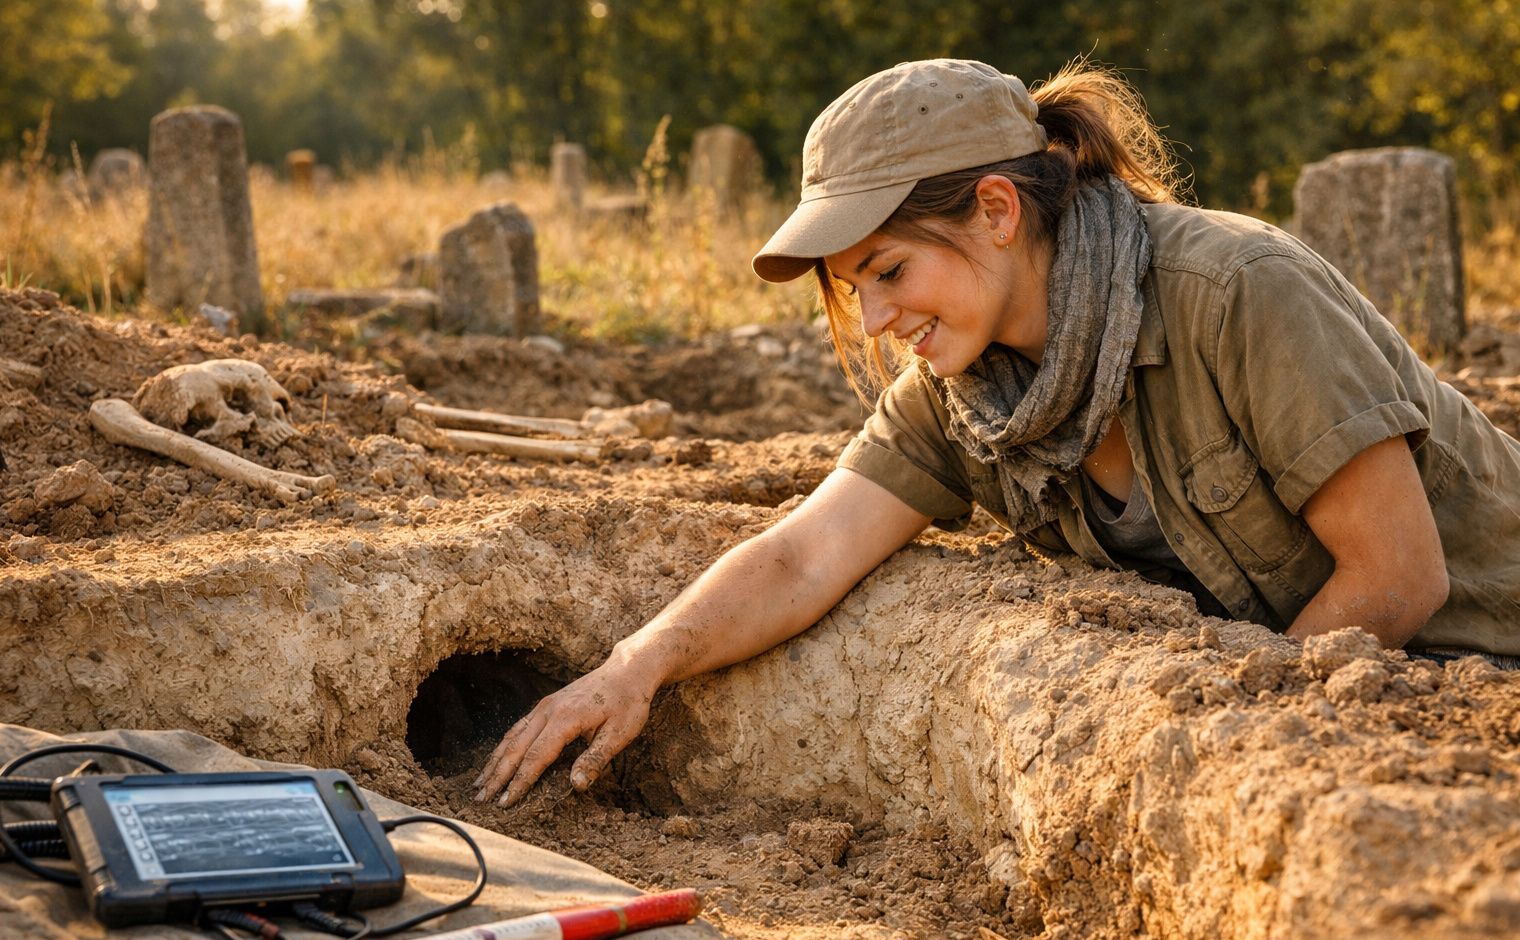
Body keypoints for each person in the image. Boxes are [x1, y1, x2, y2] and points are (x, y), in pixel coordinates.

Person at [476, 57, 1520, 808]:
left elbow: (1397, 578)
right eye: (854, 289)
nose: (875, 322)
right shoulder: (966, 390)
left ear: (996, 210)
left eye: (890, 271)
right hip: (1361, 710)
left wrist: (1227, 748)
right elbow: (804, 554)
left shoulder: (1238, 291)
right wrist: (635, 665)